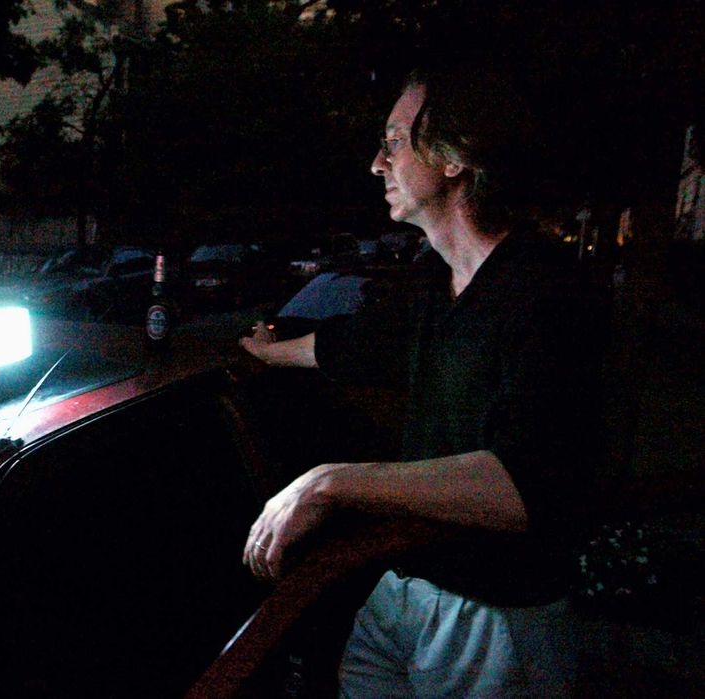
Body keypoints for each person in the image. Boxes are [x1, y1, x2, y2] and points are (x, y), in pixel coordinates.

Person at [240, 66, 604, 698]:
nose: (377, 164)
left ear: (454, 157)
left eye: (395, 141)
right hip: (404, 588)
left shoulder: (545, 291)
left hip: (494, 614)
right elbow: (353, 348)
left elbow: (524, 487)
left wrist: (330, 483)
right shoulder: (436, 283)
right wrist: (268, 353)